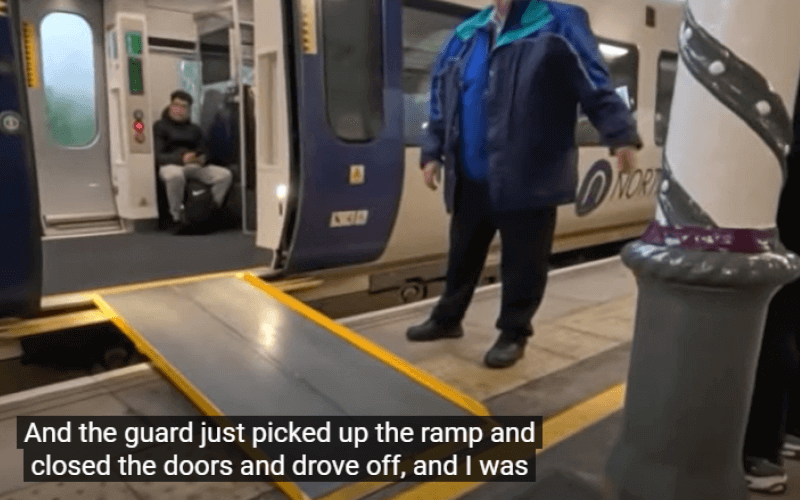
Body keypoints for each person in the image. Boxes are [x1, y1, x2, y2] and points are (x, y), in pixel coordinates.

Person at [406, 0, 641, 368]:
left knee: (524, 261)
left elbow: (593, 79)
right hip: (470, 173)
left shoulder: (557, 22)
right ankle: (447, 319)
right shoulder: (466, 33)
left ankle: (514, 333)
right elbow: (441, 95)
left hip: (529, 171)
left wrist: (620, 133)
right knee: (462, 254)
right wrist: (432, 150)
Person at [741, 73, 800, 494]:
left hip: (782, 183)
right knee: (790, 310)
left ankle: (761, 450)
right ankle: (790, 429)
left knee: (773, 312)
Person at [154, 90, 233, 225]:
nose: (179, 110)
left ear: (189, 110)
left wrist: (202, 159)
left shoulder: (195, 129)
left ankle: (210, 211)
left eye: (183, 106)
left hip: (194, 165)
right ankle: (176, 217)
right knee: (175, 176)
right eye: (176, 105)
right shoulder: (160, 126)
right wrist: (181, 158)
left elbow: (205, 151)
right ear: (170, 106)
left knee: (225, 175)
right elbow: (158, 155)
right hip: (171, 165)